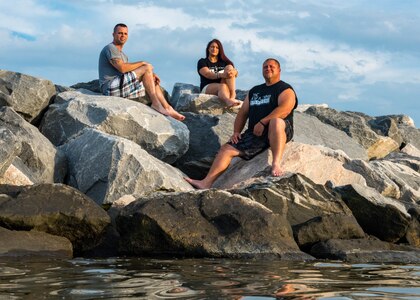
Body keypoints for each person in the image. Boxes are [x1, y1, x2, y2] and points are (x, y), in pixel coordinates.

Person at [185, 58, 298, 189]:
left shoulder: (285, 89)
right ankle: (206, 182)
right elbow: (243, 113)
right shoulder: (255, 91)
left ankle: (276, 163)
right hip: (255, 135)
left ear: (279, 70)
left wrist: (263, 122)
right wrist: (236, 132)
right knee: (226, 149)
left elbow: (285, 109)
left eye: (272, 66)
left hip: (279, 129)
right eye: (265, 67)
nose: (268, 68)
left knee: (276, 122)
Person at [98, 23, 185, 121]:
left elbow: (127, 72)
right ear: (113, 34)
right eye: (120, 33)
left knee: (152, 78)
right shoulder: (110, 48)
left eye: (125, 34)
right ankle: (156, 104)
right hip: (109, 88)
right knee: (146, 67)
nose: (123, 36)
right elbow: (122, 68)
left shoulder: (124, 56)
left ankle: (168, 108)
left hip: (119, 87)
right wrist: (143, 64)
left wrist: (151, 75)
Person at [197, 39, 242, 107]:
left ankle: (232, 97)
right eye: (212, 47)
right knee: (222, 86)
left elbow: (233, 72)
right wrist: (222, 74)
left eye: (217, 47)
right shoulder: (202, 61)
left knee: (229, 67)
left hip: (224, 86)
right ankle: (227, 101)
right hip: (208, 87)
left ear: (219, 50)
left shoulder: (224, 62)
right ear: (208, 49)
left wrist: (235, 72)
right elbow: (207, 74)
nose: (214, 49)